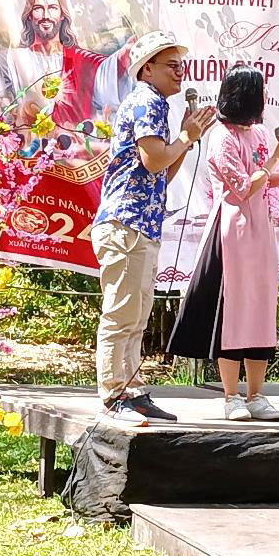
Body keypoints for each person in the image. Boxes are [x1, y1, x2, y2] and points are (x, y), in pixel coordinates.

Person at [92, 31, 216, 425]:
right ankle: (114, 395)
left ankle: (130, 390)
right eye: (171, 65)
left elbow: (163, 167)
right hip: (126, 222)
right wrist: (186, 135)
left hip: (139, 223)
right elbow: (152, 160)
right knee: (123, 314)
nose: (180, 72)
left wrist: (184, 138)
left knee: (136, 313)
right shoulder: (147, 101)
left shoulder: (155, 104)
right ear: (147, 69)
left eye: (182, 65)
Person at [167, 65, 279, 421]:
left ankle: (257, 395)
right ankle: (231, 396)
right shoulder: (221, 136)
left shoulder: (261, 133)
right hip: (231, 231)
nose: (265, 99)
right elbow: (242, 187)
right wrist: (272, 162)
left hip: (260, 229)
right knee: (233, 310)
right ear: (245, 95)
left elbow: (265, 182)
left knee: (260, 307)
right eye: (261, 92)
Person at [0, 0, 134, 127]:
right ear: (30, 16)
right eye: (38, 9)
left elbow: (106, 74)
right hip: (29, 146)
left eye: (53, 8)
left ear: (62, 15)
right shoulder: (13, 58)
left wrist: (124, 54)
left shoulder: (81, 59)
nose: (46, 16)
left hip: (75, 147)